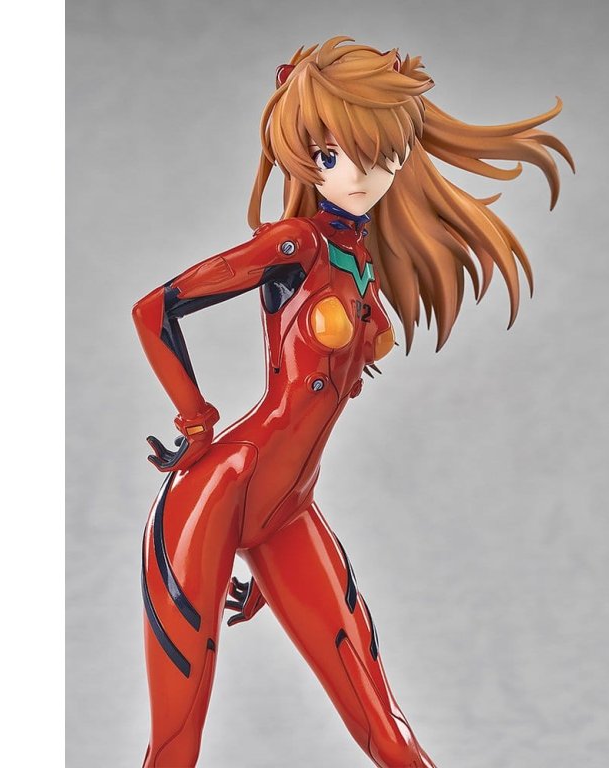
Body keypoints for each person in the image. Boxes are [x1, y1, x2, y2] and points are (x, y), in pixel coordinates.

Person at [131, 35, 572, 768]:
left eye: (383, 154)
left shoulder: (361, 259)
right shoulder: (294, 246)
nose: (364, 174)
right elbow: (155, 310)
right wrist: (196, 420)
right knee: (177, 745)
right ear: (307, 156)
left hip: (289, 510)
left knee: (386, 730)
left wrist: (272, 568)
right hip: (216, 494)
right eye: (337, 155)